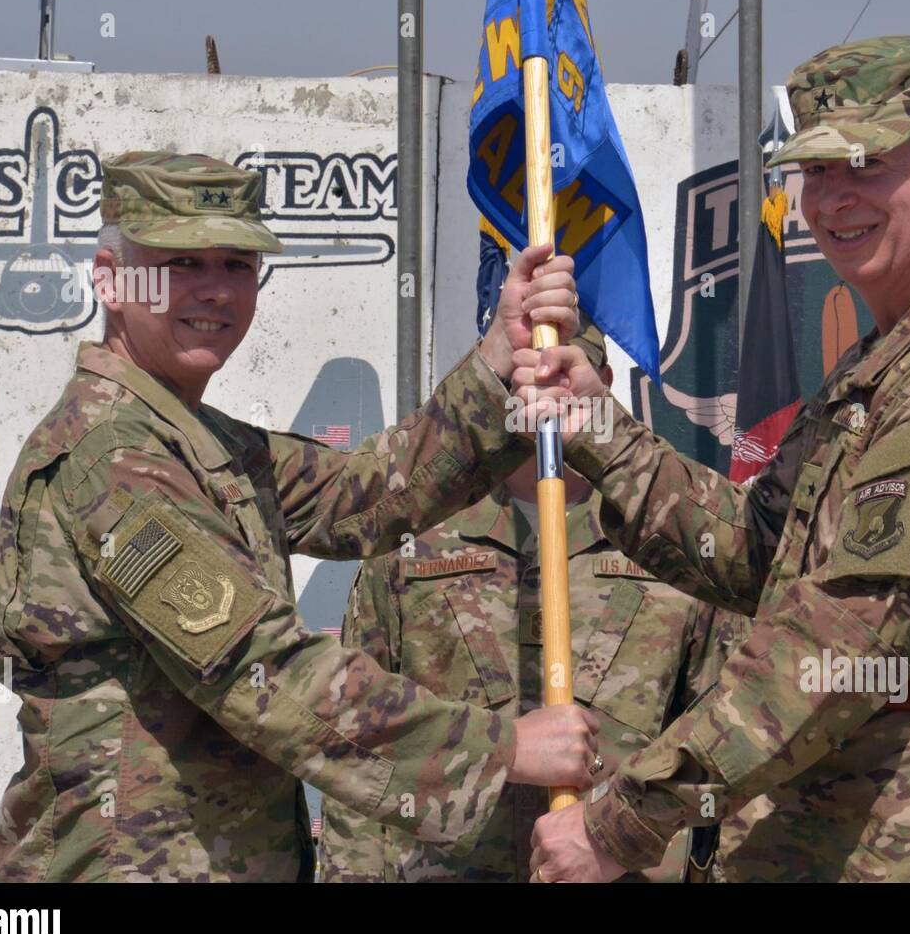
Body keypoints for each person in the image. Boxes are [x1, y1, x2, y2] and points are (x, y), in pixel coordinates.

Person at [520, 36, 910, 883]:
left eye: (866, 165)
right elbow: (752, 552)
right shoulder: (896, 362)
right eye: (815, 171)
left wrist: (621, 826)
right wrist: (595, 425)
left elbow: (830, 659)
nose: (833, 199)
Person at [0, 151, 593, 882]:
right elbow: (263, 675)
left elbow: (364, 497)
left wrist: (499, 357)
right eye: (182, 264)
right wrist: (502, 749)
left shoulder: (192, 440)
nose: (216, 290)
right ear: (111, 280)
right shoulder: (114, 461)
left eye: (238, 265)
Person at [315, 327, 747, 882]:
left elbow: (725, 744)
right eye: (521, 378)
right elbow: (358, 742)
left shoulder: (673, 535)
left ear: (603, 385)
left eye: (561, 374)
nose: (539, 397)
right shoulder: (416, 537)